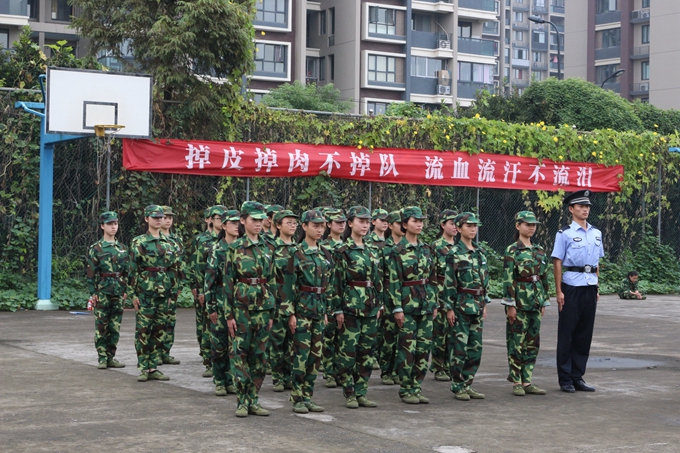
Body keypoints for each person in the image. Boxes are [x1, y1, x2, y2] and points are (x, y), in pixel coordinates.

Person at [224, 201, 276, 417]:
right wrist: (229, 315)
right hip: (241, 309)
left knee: (259, 356)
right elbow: (228, 282)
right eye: (253, 220)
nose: (258, 224)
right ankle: (242, 401)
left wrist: (272, 312)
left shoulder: (269, 246)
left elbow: (273, 280)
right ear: (243, 221)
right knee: (239, 355)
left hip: (263, 309)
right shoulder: (235, 248)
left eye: (261, 220)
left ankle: (254, 399)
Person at [551, 189, 604, 393]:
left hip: (589, 286)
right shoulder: (564, 233)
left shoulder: (596, 233)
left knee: (584, 333)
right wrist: (559, 291)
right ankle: (565, 378)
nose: (585, 210)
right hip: (571, 285)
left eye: (587, 206)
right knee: (567, 333)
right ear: (571, 209)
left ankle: (577, 377)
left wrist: (596, 286)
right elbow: (557, 261)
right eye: (581, 206)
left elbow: (597, 262)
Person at [282, 209, 334, 414]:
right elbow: (288, 286)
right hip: (302, 311)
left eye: (322, 226)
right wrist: (290, 313)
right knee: (300, 356)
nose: (319, 230)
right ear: (304, 227)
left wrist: (326, 310)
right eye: (315, 226)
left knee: (315, 356)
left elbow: (327, 285)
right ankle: (297, 397)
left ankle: (308, 396)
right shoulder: (296, 253)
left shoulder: (325, 253)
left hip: (319, 311)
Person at [387, 206, 438, 404]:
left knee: (424, 348)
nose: (419, 224)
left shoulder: (426, 249)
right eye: (415, 221)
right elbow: (394, 281)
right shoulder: (397, 251)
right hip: (407, 306)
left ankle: (417, 386)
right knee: (407, 348)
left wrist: (434, 303)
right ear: (405, 224)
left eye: (421, 221)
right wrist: (397, 308)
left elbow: (432, 279)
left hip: (426, 304)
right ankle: (406, 388)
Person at [333, 206, 383, 409]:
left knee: (366, 351)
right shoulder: (342, 251)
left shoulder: (372, 250)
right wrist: (337, 309)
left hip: (370, 307)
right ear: (350, 223)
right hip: (350, 307)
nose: (365, 225)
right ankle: (349, 391)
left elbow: (378, 281)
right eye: (360, 221)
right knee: (348, 352)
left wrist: (379, 304)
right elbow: (337, 282)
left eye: (367, 222)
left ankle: (361, 391)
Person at [128, 205, 180, 382]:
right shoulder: (139, 242)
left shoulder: (170, 243)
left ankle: (153, 366)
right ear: (146, 219)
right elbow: (132, 270)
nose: (159, 220)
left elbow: (174, 269)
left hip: (164, 293)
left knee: (159, 330)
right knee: (143, 331)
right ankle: (143, 367)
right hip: (145, 293)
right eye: (155, 217)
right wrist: (133, 294)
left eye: (161, 217)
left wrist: (173, 293)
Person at [501, 211, 550, 396]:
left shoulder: (539, 250)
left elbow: (544, 277)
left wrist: (544, 300)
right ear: (518, 226)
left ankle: (527, 380)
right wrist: (510, 304)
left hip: (535, 301)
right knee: (516, 342)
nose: (531, 228)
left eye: (533, 225)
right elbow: (508, 278)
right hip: (520, 302)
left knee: (532, 343)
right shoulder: (512, 250)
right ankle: (516, 381)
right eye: (527, 224)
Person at [446, 212, 490, 401]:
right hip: (461, 305)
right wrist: (449, 308)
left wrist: (485, 303)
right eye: (469, 226)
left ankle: (467, 383)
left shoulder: (480, 252)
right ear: (459, 228)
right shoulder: (454, 253)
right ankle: (458, 385)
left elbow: (485, 280)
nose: (473, 229)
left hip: (478, 305)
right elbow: (449, 283)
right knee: (459, 347)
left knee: (475, 347)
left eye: (475, 226)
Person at [86, 211, 129, 369]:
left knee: (115, 326)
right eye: (110, 224)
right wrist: (93, 293)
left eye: (115, 223)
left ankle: (111, 356)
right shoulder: (96, 248)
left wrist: (126, 290)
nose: (113, 227)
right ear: (102, 226)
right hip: (103, 291)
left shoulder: (123, 249)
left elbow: (127, 272)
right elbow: (91, 273)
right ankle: (102, 357)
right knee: (101, 325)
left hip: (118, 291)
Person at [204, 207, 240, 397]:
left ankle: (231, 379)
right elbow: (209, 281)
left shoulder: (243, 248)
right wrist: (210, 307)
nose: (237, 226)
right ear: (224, 226)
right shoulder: (217, 250)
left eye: (239, 223)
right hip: (219, 302)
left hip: (238, 303)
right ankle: (220, 380)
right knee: (219, 345)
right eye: (233, 223)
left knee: (236, 345)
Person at [189, 206, 222, 378]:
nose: (222, 221)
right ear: (210, 220)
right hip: (206, 287)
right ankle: (208, 359)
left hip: (222, 290)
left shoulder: (230, 239)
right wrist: (199, 289)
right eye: (218, 218)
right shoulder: (201, 240)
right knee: (206, 324)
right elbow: (197, 265)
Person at [270, 209, 300, 392]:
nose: (293, 225)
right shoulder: (272, 248)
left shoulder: (299, 248)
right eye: (288, 222)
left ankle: (289, 376)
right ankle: (277, 377)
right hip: (278, 300)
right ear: (278, 225)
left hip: (297, 301)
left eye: (294, 222)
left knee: (293, 341)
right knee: (277, 341)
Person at [430, 209, 458, 382]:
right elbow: (431, 274)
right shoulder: (436, 247)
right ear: (442, 225)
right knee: (440, 333)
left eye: (457, 224)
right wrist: (433, 299)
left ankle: (449, 365)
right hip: (440, 294)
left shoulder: (460, 246)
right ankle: (439, 366)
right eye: (452, 223)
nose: (455, 227)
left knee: (454, 332)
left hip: (456, 295)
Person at [320, 208, 347, 388]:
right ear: (329, 225)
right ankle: (329, 372)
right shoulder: (323, 247)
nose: (341, 225)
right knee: (329, 337)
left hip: (347, 297)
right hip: (329, 296)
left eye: (343, 222)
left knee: (343, 338)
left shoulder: (348, 246)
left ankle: (340, 372)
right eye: (337, 222)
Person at [377, 210, 403, 386]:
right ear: (391, 226)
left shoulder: (411, 247)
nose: (403, 227)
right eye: (399, 223)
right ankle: (386, 370)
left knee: (404, 338)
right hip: (387, 296)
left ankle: (398, 370)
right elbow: (378, 277)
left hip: (407, 297)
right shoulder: (383, 248)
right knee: (388, 336)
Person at [159, 205, 183, 365]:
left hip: (173, 285)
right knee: (158, 321)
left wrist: (179, 285)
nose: (168, 220)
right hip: (158, 285)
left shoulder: (176, 240)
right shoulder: (156, 239)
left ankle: (166, 352)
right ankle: (156, 353)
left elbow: (180, 264)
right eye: (165, 217)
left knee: (170, 320)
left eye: (170, 218)